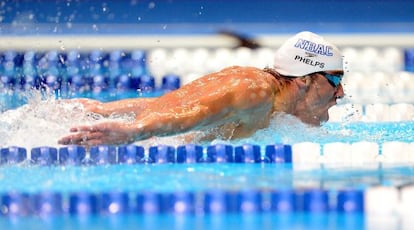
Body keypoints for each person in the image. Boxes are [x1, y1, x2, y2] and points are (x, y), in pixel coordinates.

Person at [58, 31, 344, 146]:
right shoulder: (255, 92)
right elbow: (194, 113)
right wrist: (135, 132)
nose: (340, 92)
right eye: (334, 80)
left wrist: (100, 110)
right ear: (305, 78)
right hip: (147, 142)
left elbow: (170, 103)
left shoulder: (265, 96)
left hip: (146, 134)